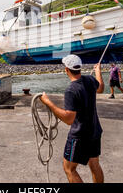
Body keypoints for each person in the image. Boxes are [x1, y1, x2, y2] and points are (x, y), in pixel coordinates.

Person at [40, 54, 105, 183]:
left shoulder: (71, 90)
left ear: (67, 70)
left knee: (69, 168)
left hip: (80, 136)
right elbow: (101, 89)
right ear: (80, 68)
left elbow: (69, 119)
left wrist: (48, 103)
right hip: (95, 132)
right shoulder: (90, 80)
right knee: (94, 164)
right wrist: (98, 72)